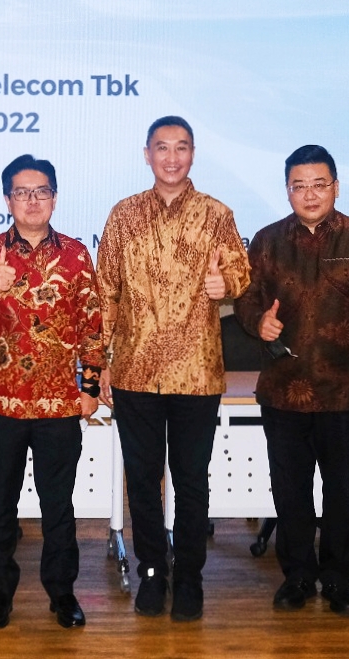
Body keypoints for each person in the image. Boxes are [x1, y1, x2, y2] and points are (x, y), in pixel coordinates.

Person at [234, 144, 349, 617]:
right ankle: (296, 576)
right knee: (290, 492)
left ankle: (338, 579)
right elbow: (247, 300)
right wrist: (258, 322)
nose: (309, 194)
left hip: (346, 392)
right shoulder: (267, 240)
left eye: (319, 184)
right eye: (299, 186)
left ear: (336, 186)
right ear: (287, 190)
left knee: (341, 493)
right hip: (284, 390)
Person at [96, 116, 250, 622]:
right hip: (135, 371)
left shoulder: (217, 214)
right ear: (147, 154)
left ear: (193, 153)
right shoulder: (123, 215)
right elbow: (106, 292)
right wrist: (100, 362)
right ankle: (151, 573)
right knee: (142, 480)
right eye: (162, 148)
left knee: (191, 480)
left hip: (196, 372)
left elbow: (241, 270)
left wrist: (225, 284)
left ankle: (189, 578)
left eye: (181, 147)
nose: (171, 157)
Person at [0, 154, 105, 630]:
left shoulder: (77, 254)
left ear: (54, 198)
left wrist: (89, 386)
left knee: (58, 505)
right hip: (1, 402)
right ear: (8, 200)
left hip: (59, 403)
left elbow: (92, 324)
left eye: (41, 191)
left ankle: (62, 593)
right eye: (22, 192)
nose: (32, 200)